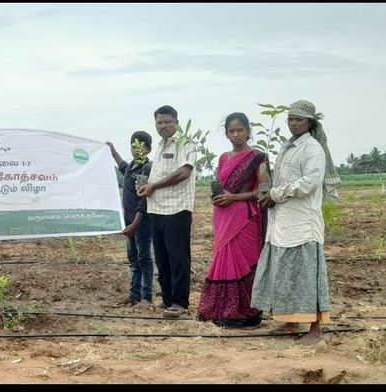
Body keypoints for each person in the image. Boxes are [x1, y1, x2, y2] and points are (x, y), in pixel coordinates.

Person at [251, 99, 339, 345]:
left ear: (310, 122)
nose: (293, 123)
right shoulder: (287, 147)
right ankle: (290, 322)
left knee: (307, 276)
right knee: (285, 274)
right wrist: (267, 188)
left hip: (302, 224)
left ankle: (315, 329)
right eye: (290, 119)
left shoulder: (312, 148)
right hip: (283, 222)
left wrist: (276, 194)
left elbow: (309, 183)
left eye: (298, 119)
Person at [197, 112, 270, 327]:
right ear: (227, 133)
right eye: (232, 131)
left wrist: (233, 197)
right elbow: (223, 185)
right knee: (223, 259)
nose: (236, 135)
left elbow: (264, 190)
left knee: (243, 262)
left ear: (249, 131)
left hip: (244, 218)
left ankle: (247, 313)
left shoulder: (258, 158)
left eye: (240, 130)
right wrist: (219, 197)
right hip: (223, 216)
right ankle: (222, 310)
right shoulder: (223, 158)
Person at [137, 105, 197, 318]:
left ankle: (180, 303)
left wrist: (154, 186)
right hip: (157, 209)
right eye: (159, 123)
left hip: (177, 209)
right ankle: (168, 299)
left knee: (178, 257)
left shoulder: (185, 143)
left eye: (167, 122)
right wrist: (148, 187)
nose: (163, 126)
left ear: (176, 121)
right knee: (162, 258)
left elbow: (184, 172)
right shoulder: (160, 145)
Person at [107, 131, 154, 309]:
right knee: (134, 260)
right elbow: (121, 165)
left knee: (144, 260)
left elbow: (144, 200)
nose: (136, 150)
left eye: (140, 146)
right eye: (133, 146)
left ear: (148, 149)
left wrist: (135, 223)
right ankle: (134, 295)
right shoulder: (131, 167)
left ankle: (147, 298)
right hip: (129, 222)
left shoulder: (147, 168)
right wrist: (112, 150)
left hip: (141, 223)